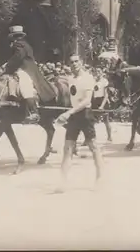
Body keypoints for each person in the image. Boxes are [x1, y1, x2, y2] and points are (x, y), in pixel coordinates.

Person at [55, 55, 104, 192]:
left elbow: (87, 100)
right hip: (74, 116)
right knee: (67, 148)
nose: (74, 64)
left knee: (93, 147)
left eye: (77, 61)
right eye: (71, 62)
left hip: (85, 115)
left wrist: (69, 113)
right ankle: (62, 182)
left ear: (81, 62)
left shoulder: (88, 78)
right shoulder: (71, 79)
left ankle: (100, 178)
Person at [4, 25, 56, 124]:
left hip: (25, 69)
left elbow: (18, 57)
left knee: (25, 87)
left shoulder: (18, 45)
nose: (16, 39)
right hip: (28, 68)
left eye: (15, 37)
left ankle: (33, 112)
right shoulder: (26, 44)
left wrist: (9, 65)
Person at [91, 68, 112, 142]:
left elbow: (106, 95)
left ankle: (109, 136)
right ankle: (91, 137)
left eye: (99, 71)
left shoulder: (104, 81)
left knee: (106, 121)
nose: (97, 73)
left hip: (102, 100)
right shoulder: (93, 81)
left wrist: (102, 106)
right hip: (95, 101)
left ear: (102, 73)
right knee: (91, 121)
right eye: (96, 71)